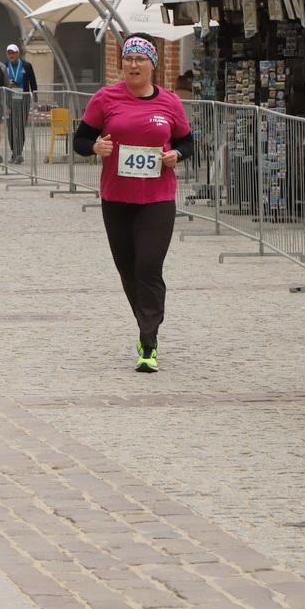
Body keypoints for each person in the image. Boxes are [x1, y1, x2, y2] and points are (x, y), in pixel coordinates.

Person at [72, 34, 194, 373]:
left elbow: (187, 141)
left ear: (152, 65)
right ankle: (145, 325)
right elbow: (80, 139)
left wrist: (176, 154)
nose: (133, 65)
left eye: (140, 59)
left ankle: (149, 340)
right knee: (128, 269)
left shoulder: (170, 102)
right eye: (128, 59)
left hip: (157, 198)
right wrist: (95, 147)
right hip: (117, 198)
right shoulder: (105, 99)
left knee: (149, 266)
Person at [3, 44, 38, 165]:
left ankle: (19, 153)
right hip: (9, 101)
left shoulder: (26, 65)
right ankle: (14, 151)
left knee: (20, 127)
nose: (11, 55)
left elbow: (33, 83)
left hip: (23, 100)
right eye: (9, 53)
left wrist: (35, 99)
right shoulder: (5, 66)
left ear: (18, 53)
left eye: (13, 53)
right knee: (10, 128)